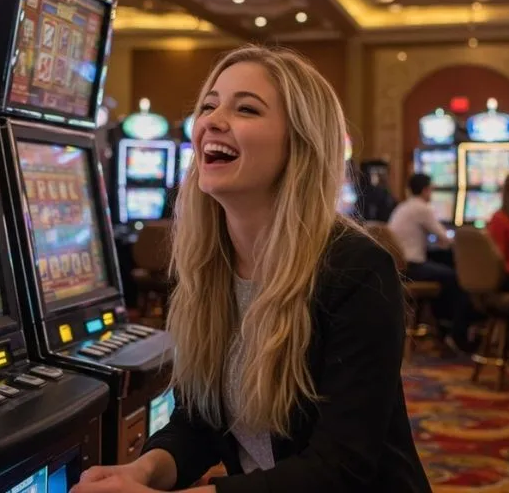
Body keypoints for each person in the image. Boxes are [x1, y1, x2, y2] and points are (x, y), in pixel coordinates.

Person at [71, 45, 431, 493]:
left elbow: (339, 467)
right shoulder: (206, 265)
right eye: (209, 105)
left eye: (245, 109)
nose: (212, 121)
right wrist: (140, 471)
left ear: (299, 143)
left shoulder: (356, 269)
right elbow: (197, 424)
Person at [388, 173, 474, 352]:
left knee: (444, 276)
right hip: (411, 266)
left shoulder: (404, 206)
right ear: (426, 190)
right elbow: (444, 237)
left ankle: (443, 330)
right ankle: (454, 333)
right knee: (456, 279)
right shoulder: (422, 208)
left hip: (398, 266)